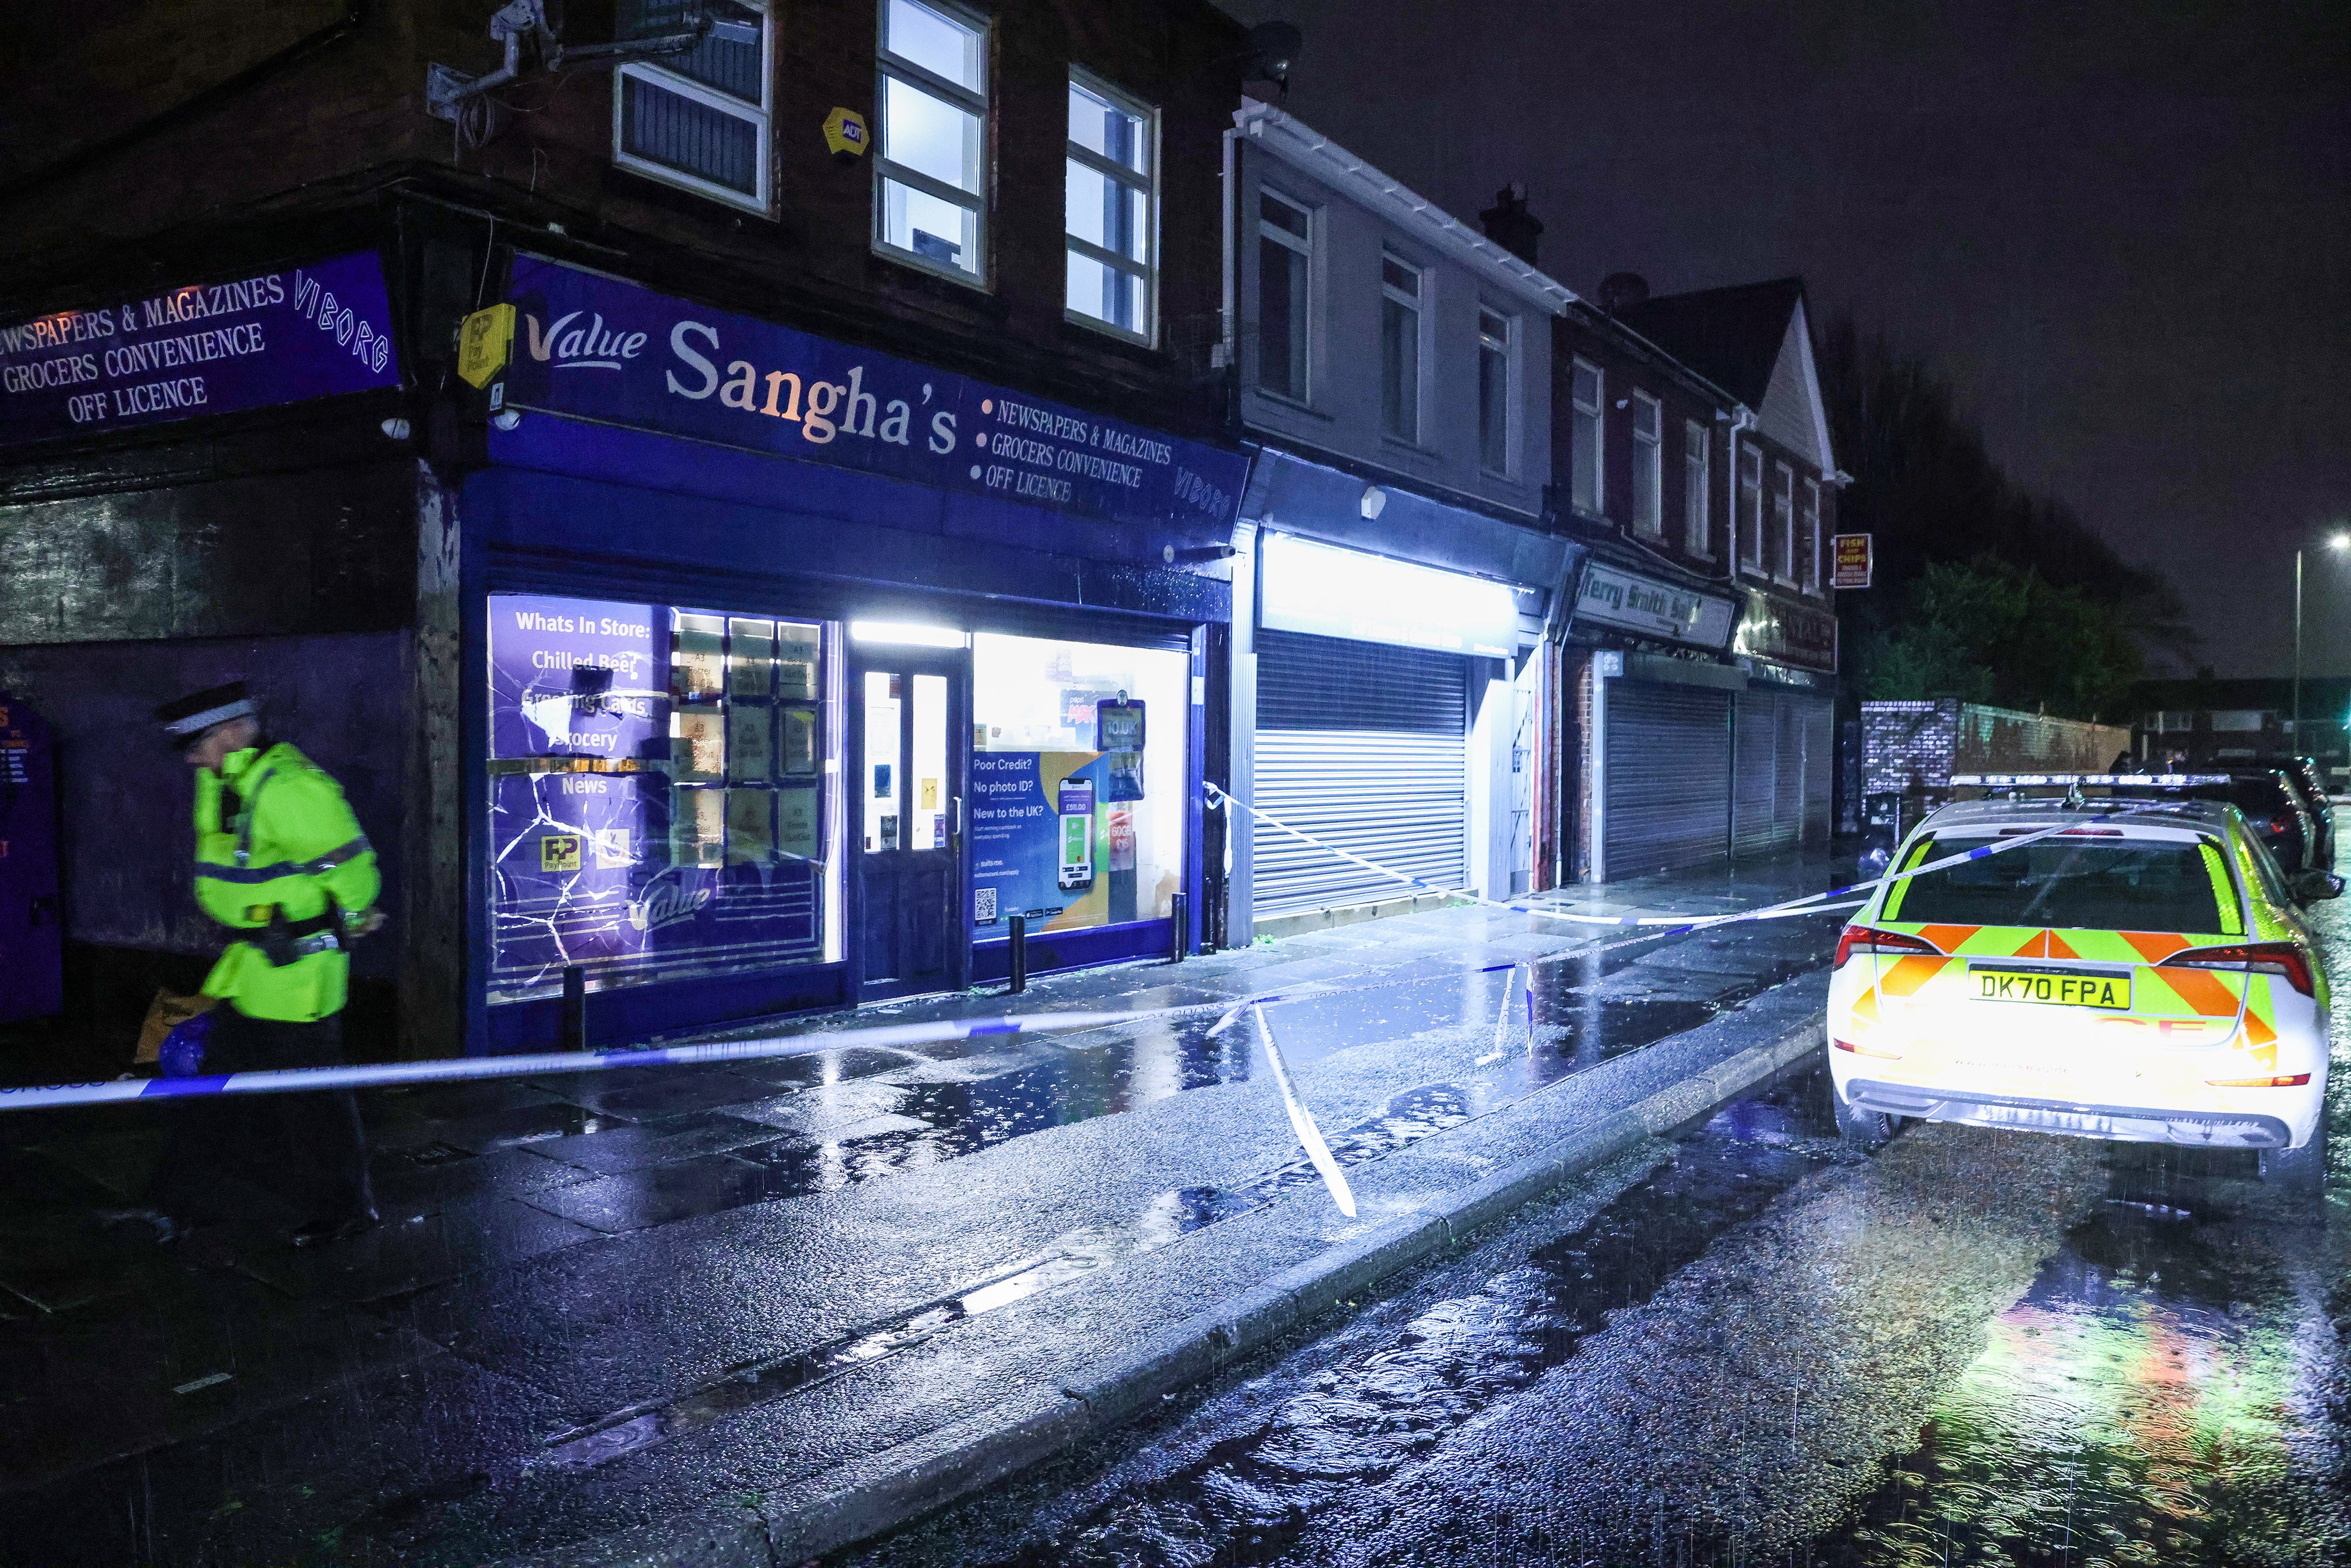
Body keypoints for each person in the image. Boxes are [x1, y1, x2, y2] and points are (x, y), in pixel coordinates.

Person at [126, 681, 383, 1247]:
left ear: (230, 733)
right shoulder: (225, 780)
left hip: (296, 976)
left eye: (197, 745)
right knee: (216, 1094)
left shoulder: (289, 787)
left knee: (311, 1103)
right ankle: (178, 1204)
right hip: (252, 969)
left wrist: (356, 915)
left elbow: (353, 870)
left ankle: (345, 1211)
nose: (191, 758)